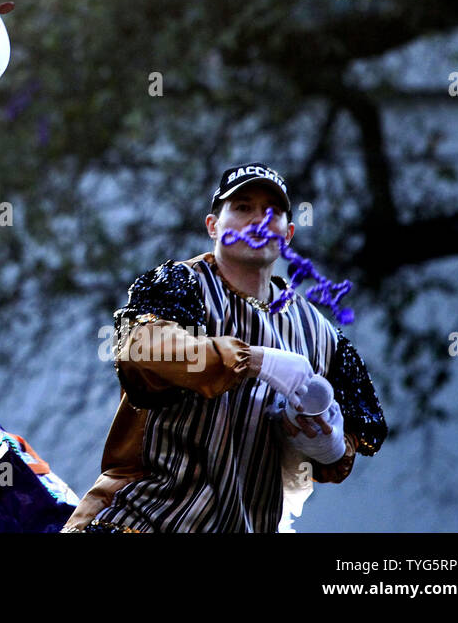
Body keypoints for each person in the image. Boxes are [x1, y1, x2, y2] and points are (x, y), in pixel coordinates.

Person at [64, 163, 387, 532]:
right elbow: (141, 350)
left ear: (289, 233)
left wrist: (324, 440)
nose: (258, 221)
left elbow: (353, 444)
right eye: (243, 207)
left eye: (273, 212)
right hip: (143, 520)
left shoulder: (320, 332)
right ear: (213, 226)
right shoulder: (180, 284)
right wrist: (254, 360)